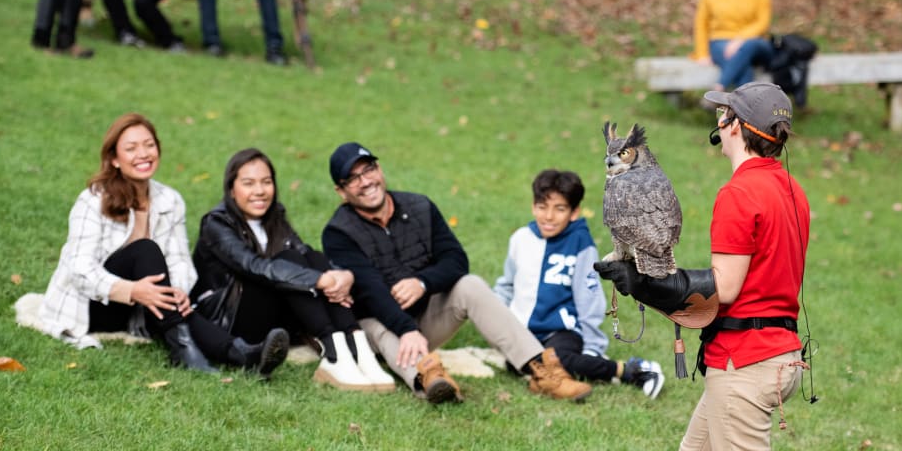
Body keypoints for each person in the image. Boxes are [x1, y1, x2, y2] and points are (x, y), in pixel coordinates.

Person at [596, 82, 810, 451]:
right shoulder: (791, 189)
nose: (718, 120)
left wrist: (645, 283)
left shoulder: (739, 193)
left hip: (746, 362)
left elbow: (725, 288)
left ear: (733, 127)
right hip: (780, 353)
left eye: (722, 113)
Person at [321, 142, 593, 404]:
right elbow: (371, 291)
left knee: (470, 284)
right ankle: (430, 378)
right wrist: (406, 329)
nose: (365, 181)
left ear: (379, 169)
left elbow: (456, 260)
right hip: (376, 324)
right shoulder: (338, 233)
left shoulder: (419, 206)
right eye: (353, 179)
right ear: (341, 192)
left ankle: (541, 369)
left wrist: (422, 283)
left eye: (368, 169)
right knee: (378, 326)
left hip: (424, 314)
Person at [38, 113, 284, 377]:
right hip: (93, 305)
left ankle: (242, 354)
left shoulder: (170, 200)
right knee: (145, 250)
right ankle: (184, 350)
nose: (143, 154)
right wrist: (133, 290)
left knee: (167, 296)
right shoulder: (93, 199)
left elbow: (179, 260)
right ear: (114, 159)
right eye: (131, 148)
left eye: (149, 145)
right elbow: (79, 268)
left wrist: (177, 290)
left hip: (143, 308)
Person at [191, 148, 395, 392]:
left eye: (266, 182)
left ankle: (356, 346)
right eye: (248, 183)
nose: (260, 191)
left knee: (311, 257)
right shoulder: (216, 223)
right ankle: (333, 352)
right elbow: (254, 266)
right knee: (292, 265)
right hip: (231, 318)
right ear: (231, 189)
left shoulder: (274, 214)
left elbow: (304, 254)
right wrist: (319, 280)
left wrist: (342, 275)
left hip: (273, 311)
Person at [493, 169, 665, 399]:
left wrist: (592, 347)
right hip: (524, 331)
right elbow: (506, 286)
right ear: (533, 207)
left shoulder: (581, 245)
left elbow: (589, 298)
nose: (549, 216)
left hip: (560, 331)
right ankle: (557, 371)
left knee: (559, 360)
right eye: (542, 207)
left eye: (559, 209)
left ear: (574, 212)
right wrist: (495, 321)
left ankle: (633, 370)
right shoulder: (520, 239)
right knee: (517, 363)